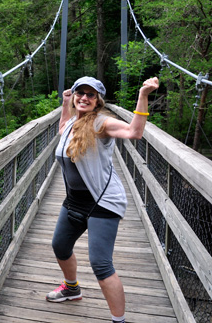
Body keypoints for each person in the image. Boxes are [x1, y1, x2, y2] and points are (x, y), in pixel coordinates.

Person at [46, 76, 159, 323]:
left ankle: (119, 321)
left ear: (98, 101)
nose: (84, 97)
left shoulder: (101, 123)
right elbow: (63, 126)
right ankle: (72, 289)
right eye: (80, 93)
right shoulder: (72, 122)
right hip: (74, 200)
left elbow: (134, 132)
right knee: (60, 246)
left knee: (101, 264)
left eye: (90, 94)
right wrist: (66, 104)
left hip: (103, 202)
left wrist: (143, 95)